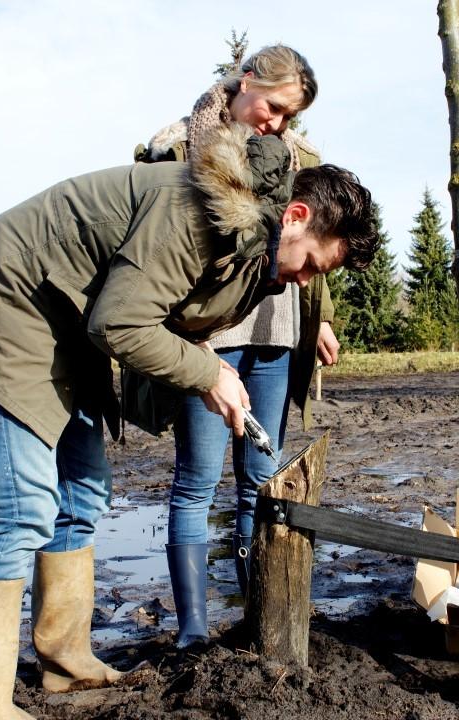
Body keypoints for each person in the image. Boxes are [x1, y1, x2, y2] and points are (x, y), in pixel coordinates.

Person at [0, 120, 378, 718]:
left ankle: (64, 662)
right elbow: (119, 323)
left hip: (71, 325)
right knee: (20, 508)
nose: (306, 280)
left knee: (82, 494)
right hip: (14, 302)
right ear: (295, 215)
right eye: (314, 264)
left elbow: (171, 317)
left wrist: (209, 366)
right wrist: (208, 374)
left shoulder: (251, 248)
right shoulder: (193, 213)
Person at [132, 45, 339, 648]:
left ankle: (259, 616)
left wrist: (316, 318)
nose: (276, 123)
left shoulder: (302, 160)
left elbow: (315, 247)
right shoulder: (177, 143)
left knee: (261, 475)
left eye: (287, 116)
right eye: (273, 107)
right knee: (196, 481)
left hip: (275, 331)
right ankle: (193, 630)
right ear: (245, 81)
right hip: (204, 338)